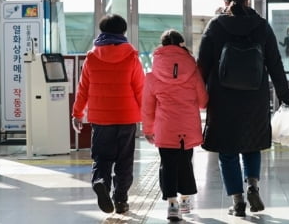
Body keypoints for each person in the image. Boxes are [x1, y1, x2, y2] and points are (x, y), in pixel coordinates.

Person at [197, 0, 289, 217]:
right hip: (254, 98)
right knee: (252, 145)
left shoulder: (215, 26)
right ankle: (252, 186)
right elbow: (275, 64)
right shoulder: (261, 26)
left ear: (225, 2)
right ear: (248, 0)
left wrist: (196, 96)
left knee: (227, 151)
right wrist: (284, 97)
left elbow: (202, 65)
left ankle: (237, 201)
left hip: (222, 99)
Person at [72, 14, 144, 215]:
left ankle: (101, 181)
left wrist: (77, 113)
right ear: (123, 32)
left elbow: (83, 89)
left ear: (102, 31)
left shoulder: (92, 58)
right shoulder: (132, 57)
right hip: (127, 117)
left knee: (102, 158)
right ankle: (120, 200)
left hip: (101, 119)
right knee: (124, 161)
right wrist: (148, 118)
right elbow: (141, 90)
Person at [142, 29, 208, 222]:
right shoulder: (193, 70)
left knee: (168, 164)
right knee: (185, 162)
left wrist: (148, 129)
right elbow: (203, 101)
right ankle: (185, 199)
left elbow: (147, 107)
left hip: (165, 127)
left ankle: (172, 204)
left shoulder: (153, 75)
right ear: (181, 45)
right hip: (188, 125)